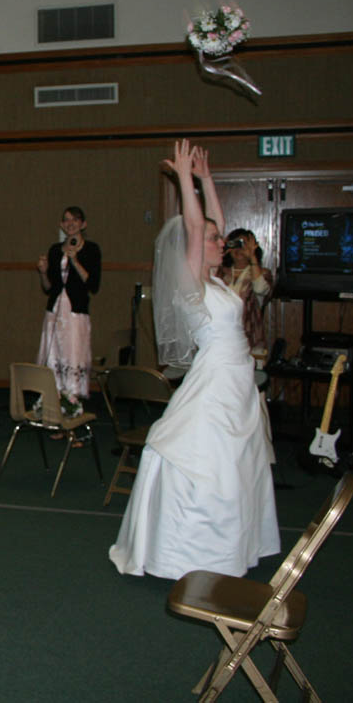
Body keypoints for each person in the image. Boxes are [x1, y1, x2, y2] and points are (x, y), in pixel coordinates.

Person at [109, 140, 279, 580]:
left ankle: (234, 546)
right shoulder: (191, 285)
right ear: (193, 247)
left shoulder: (216, 282)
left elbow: (210, 222)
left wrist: (206, 178)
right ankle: (195, 552)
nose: (222, 242)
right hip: (217, 379)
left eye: (220, 239)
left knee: (237, 461)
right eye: (213, 240)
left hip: (238, 380)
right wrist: (184, 178)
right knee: (212, 461)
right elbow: (195, 223)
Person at [36, 206, 101, 401]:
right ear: (61, 225)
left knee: (73, 356)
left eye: (75, 219)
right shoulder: (55, 250)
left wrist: (75, 261)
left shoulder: (91, 249)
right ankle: (52, 402)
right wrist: (43, 272)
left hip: (76, 313)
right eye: (66, 220)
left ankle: (71, 403)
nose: (70, 223)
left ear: (83, 224)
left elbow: (93, 285)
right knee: (53, 355)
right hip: (54, 312)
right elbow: (48, 287)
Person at [217, 228, 274, 357]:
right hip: (222, 341)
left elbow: (260, 289)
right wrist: (220, 252)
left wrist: (252, 257)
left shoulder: (262, 274)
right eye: (235, 244)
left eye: (243, 244)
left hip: (250, 343)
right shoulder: (220, 273)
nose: (239, 249)